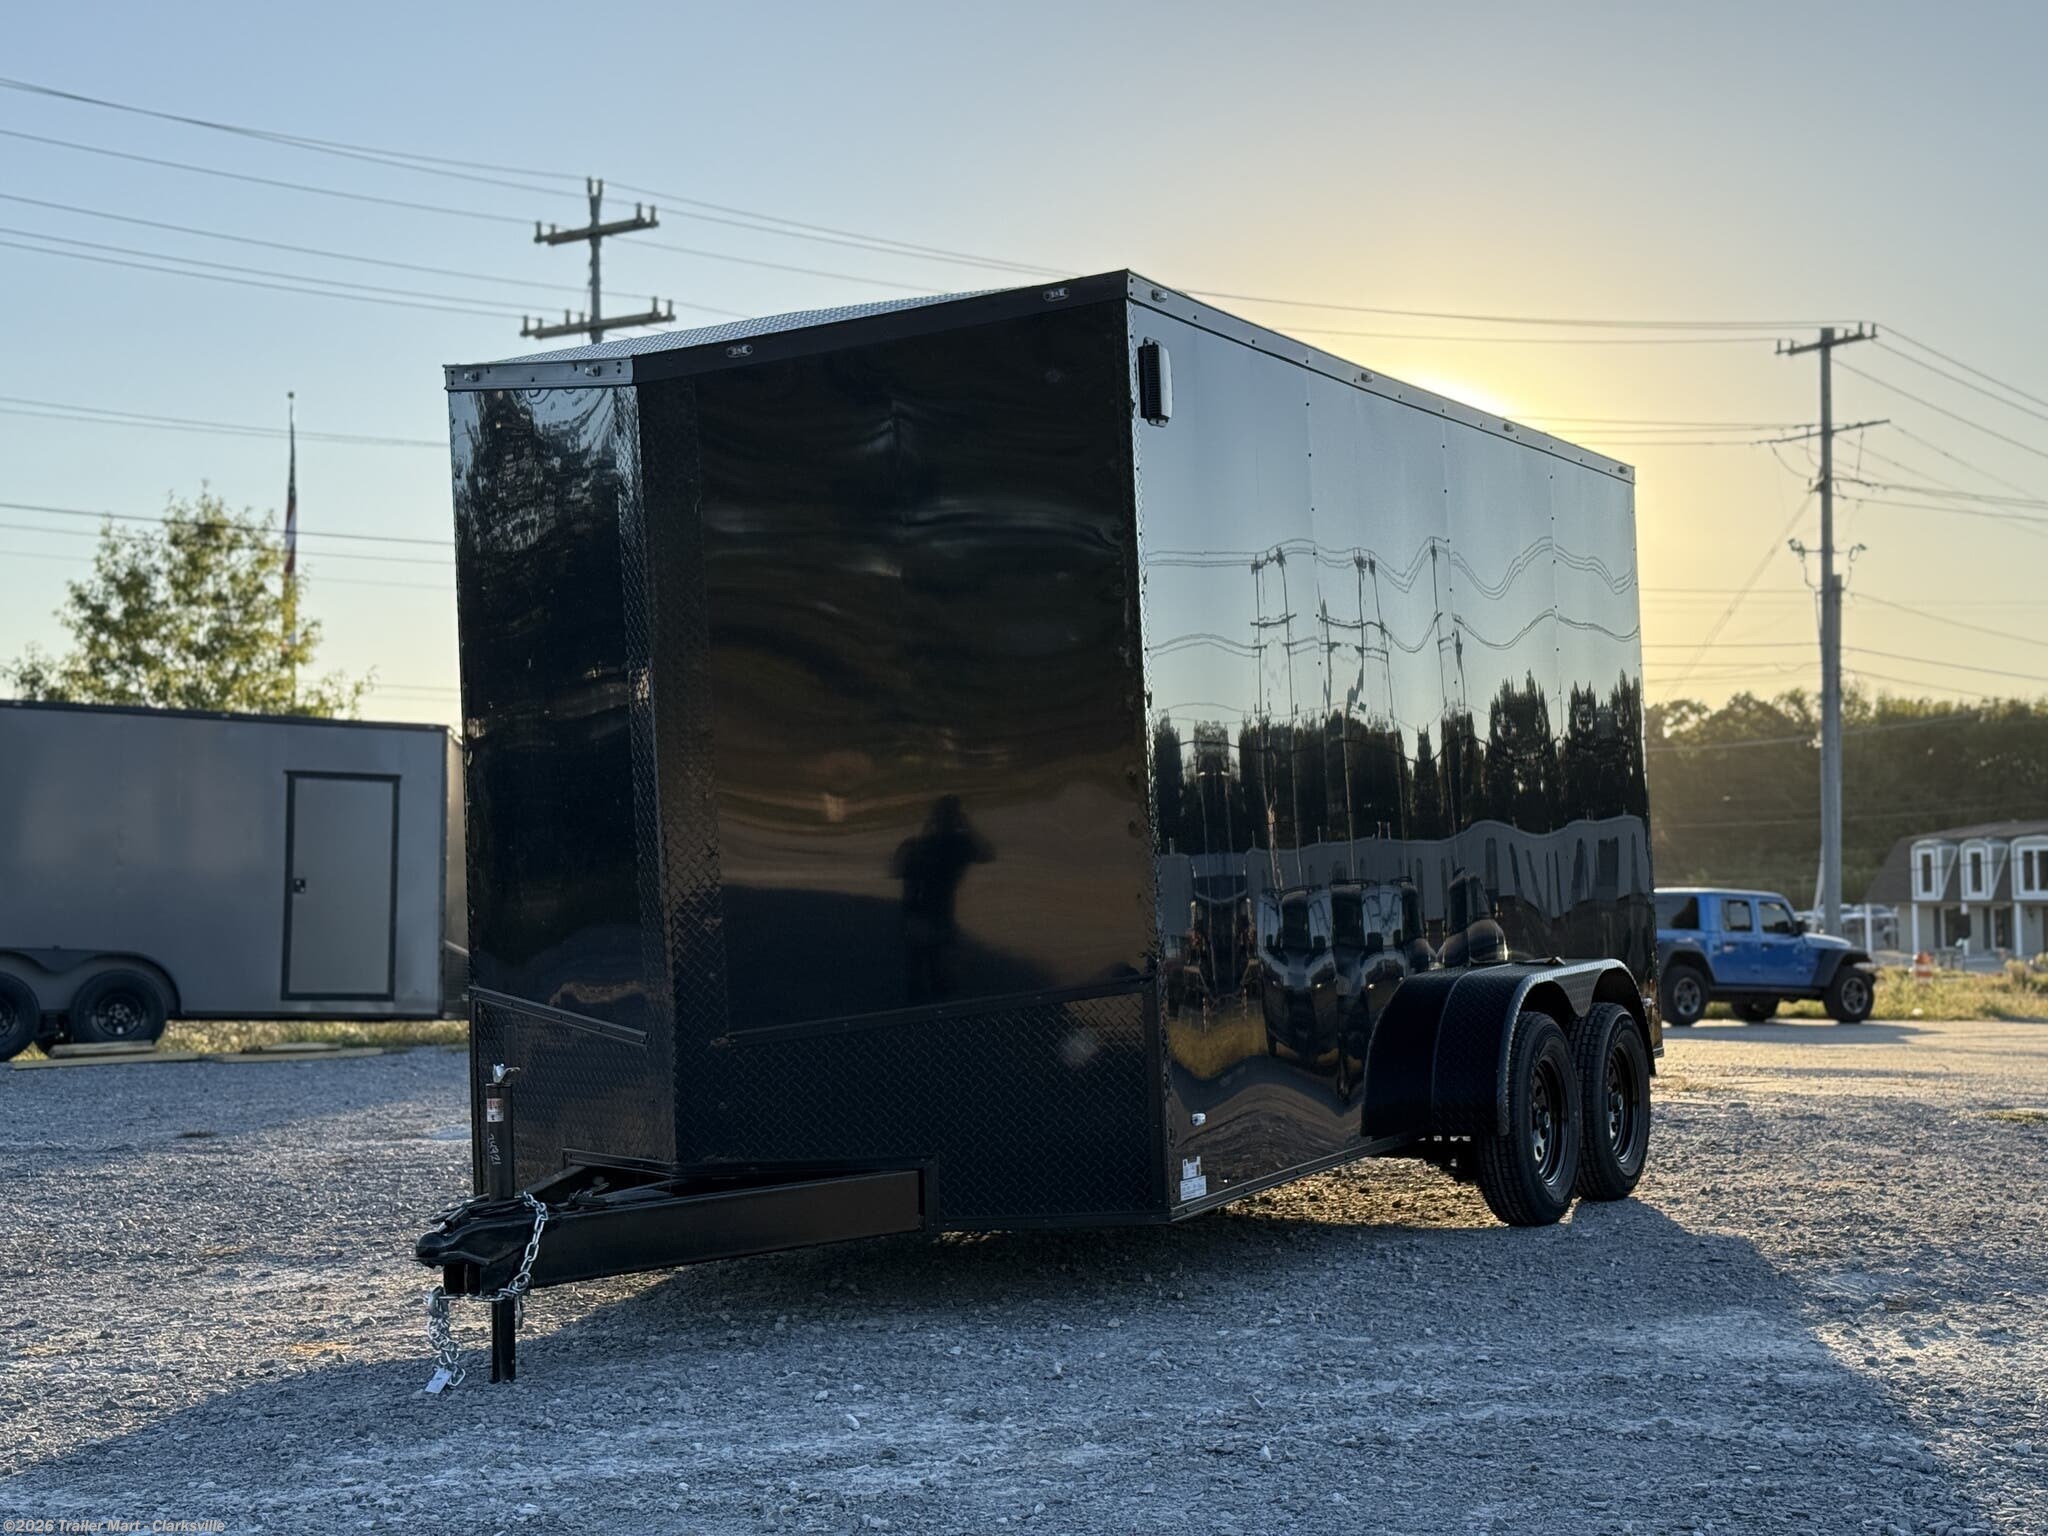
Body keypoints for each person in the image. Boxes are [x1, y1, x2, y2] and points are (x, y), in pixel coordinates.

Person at [890, 795, 994, 1004]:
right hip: (934, 915)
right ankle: (934, 1008)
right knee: (934, 973)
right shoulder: (957, 845)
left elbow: (897, 870)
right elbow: (986, 854)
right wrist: (967, 826)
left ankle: (922, 1008)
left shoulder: (928, 845)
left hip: (922, 915)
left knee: (925, 972)